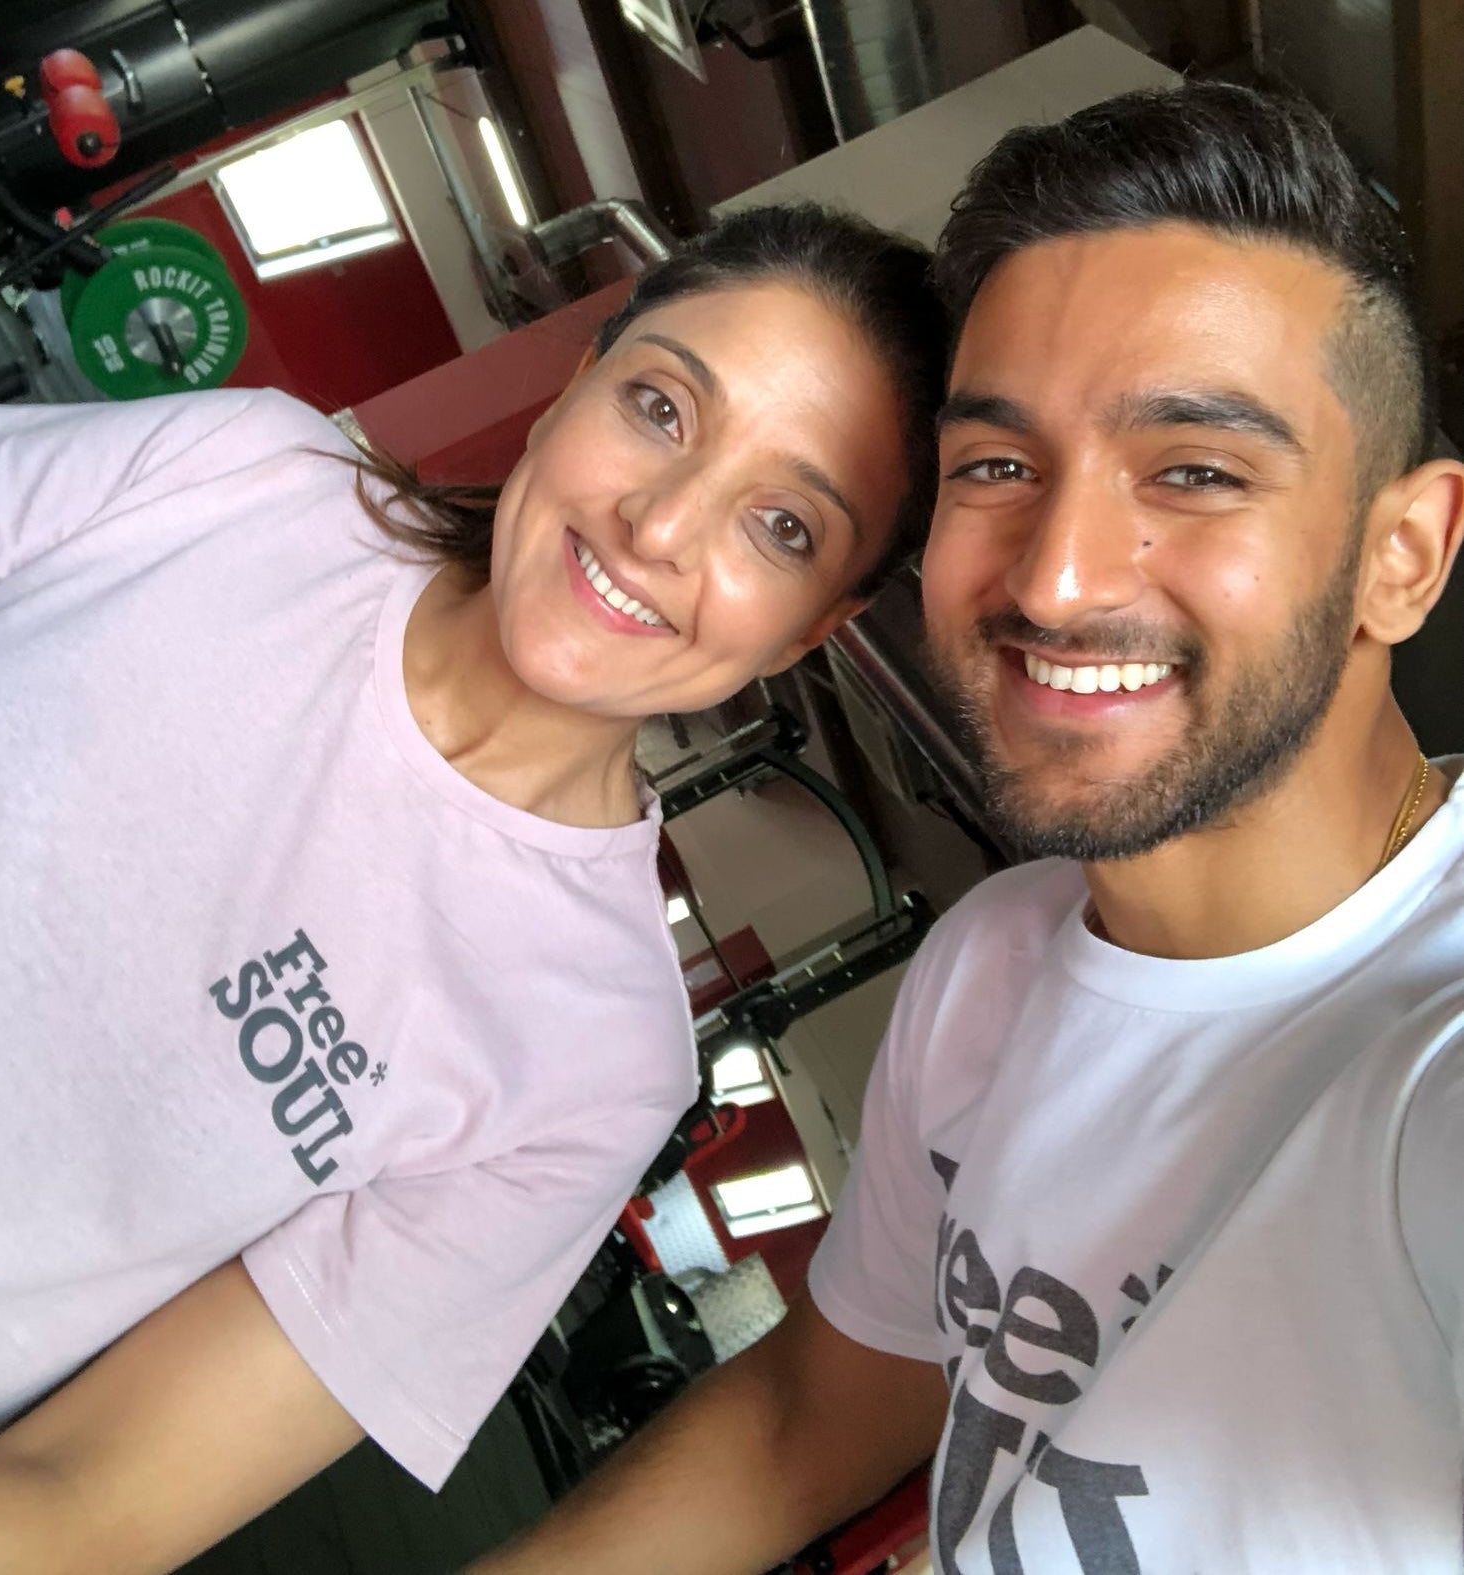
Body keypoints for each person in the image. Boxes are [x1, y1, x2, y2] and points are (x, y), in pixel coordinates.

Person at [470, 82, 1464, 1575]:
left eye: (1191, 472)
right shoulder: (985, 972)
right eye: (995, 468)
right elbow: (814, 1413)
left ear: (1402, 555)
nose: (1054, 579)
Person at [0, 202, 949, 1571]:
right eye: (658, 407)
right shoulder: (231, 474)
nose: (656, 524)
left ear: (810, 631)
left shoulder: (592, 1065)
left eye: (778, 524)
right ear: (573, 383)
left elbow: (85, 1500)